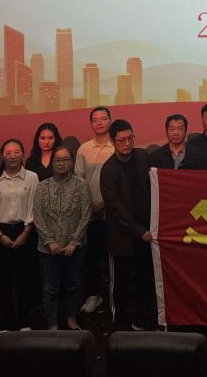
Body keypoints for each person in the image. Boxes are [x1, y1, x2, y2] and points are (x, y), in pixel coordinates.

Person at [100, 119, 157, 331]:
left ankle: (142, 320)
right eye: (121, 140)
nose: (127, 143)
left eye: (130, 138)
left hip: (147, 232)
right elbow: (116, 209)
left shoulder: (142, 156)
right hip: (122, 237)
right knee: (121, 283)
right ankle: (120, 324)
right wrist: (139, 231)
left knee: (144, 279)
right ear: (112, 142)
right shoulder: (109, 170)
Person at [0, 138, 39, 332]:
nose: (13, 156)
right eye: (8, 153)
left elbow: (34, 207)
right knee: (3, 281)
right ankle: (6, 322)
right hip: (0, 233)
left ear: (23, 154)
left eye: (16, 152)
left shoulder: (32, 177)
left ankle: (24, 321)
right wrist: (0, 236)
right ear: (2, 156)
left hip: (26, 231)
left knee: (26, 279)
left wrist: (25, 233)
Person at [33, 146, 91, 330]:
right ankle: (52, 324)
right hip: (47, 249)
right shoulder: (42, 186)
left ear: (72, 162)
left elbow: (86, 215)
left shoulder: (81, 185)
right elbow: (38, 216)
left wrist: (74, 242)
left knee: (73, 285)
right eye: (58, 160)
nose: (61, 163)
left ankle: (71, 318)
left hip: (75, 248)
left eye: (66, 159)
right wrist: (50, 241)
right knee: (50, 288)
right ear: (52, 163)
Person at [74, 105, 114, 315]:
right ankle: (94, 295)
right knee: (92, 257)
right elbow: (78, 181)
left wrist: (106, 203)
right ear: (91, 123)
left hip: (114, 213)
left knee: (114, 257)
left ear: (110, 120)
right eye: (95, 119)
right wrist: (90, 204)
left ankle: (115, 296)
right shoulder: (84, 149)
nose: (99, 122)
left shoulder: (117, 146)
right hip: (90, 214)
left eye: (103, 118)